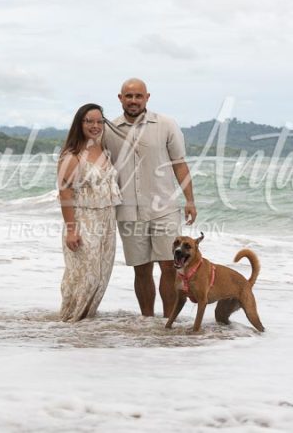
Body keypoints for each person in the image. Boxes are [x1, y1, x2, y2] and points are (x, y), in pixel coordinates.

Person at [103, 78, 197, 317]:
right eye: (129, 96)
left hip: (164, 208)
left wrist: (190, 200)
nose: (133, 100)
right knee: (141, 270)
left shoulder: (166, 124)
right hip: (127, 211)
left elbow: (180, 164)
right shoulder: (109, 130)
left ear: (147, 98)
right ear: (120, 98)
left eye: (138, 96)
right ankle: (147, 322)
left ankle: (168, 321)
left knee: (169, 265)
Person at [57, 103, 122, 322]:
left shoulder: (104, 149)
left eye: (99, 121)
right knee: (85, 278)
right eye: (89, 121)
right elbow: (65, 196)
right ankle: (69, 322)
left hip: (107, 221)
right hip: (84, 221)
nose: (95, 125)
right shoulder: (72, 155)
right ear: (80, 123)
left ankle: (85, 328)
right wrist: (71, 231)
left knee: (102, 278)